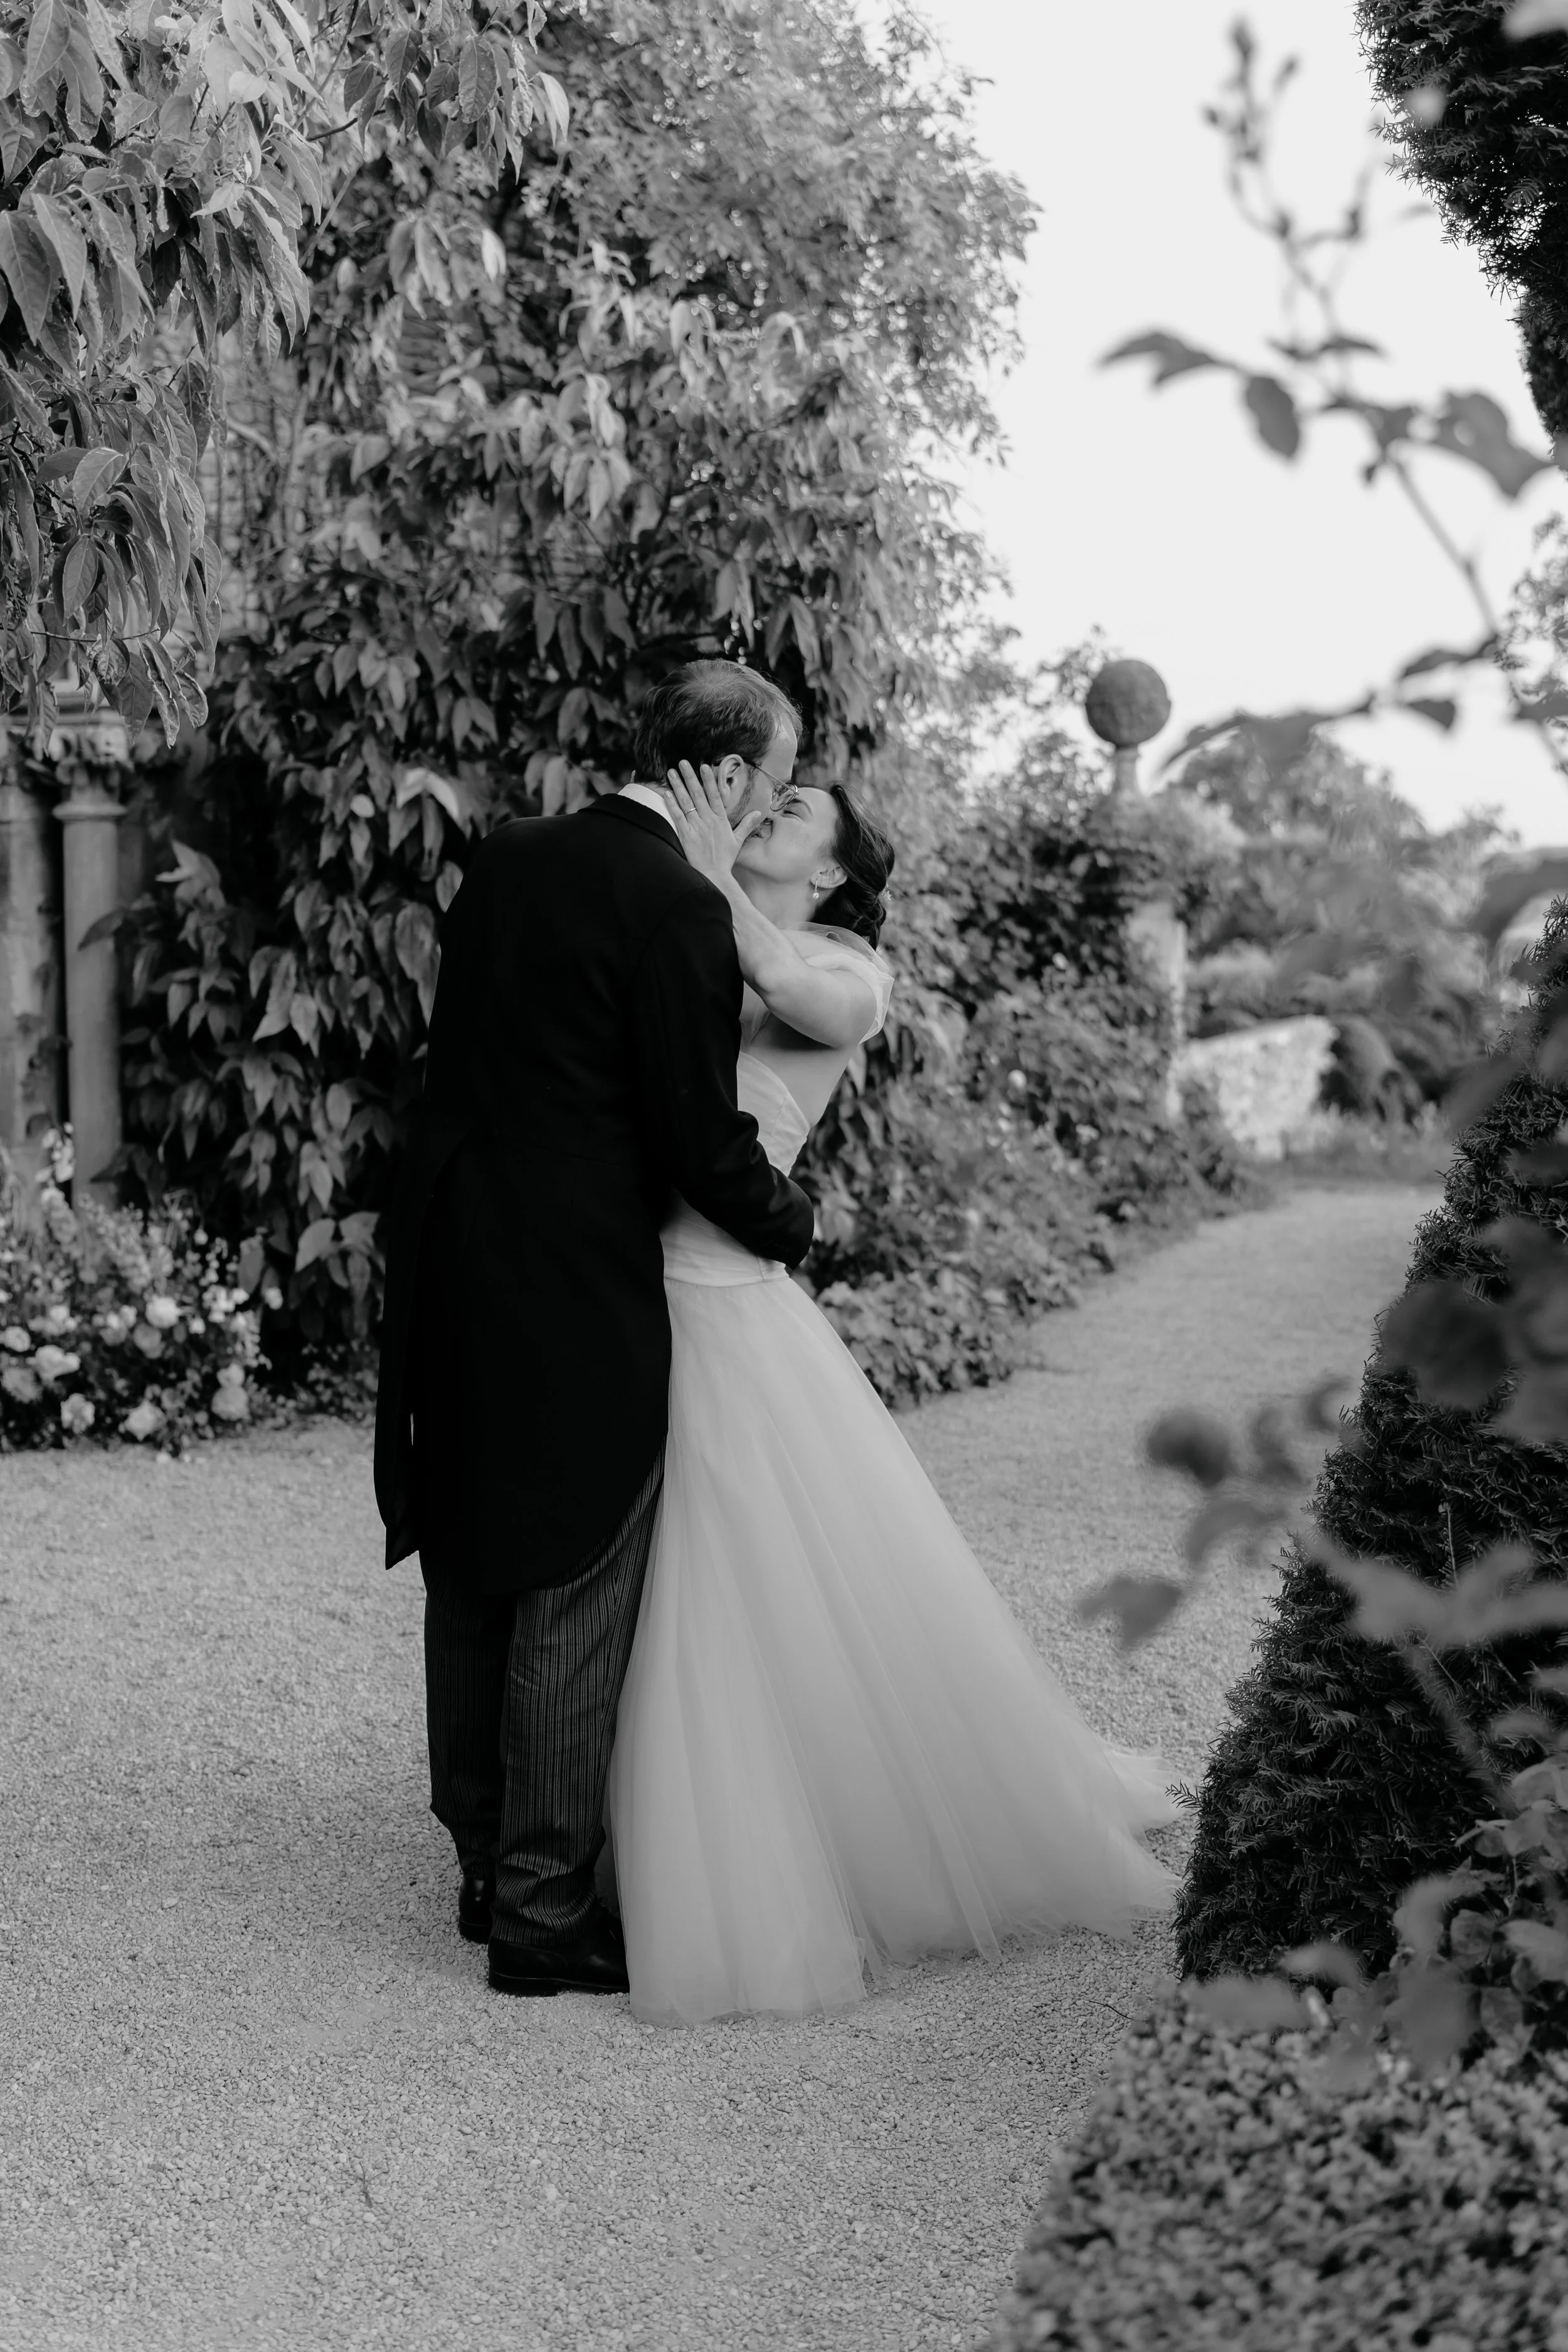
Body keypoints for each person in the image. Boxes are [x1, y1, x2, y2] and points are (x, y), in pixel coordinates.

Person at [604, 761, 1178, 2025]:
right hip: (625, 1291)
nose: (762, 811)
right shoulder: (693, 929)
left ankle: (765, 1860)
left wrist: (703, 873)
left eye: (794, 812)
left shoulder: (849, 976)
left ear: (835, 875)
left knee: (731, 1580)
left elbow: (790, 987)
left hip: (720, 1303)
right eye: (768, 799)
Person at [374, 661, 815, 1998]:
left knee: (471, 1549)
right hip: (576, 1278)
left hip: (453, 1250)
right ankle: (541, 1915)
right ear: (727, 778)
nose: (770, 812)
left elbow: (466, 1055)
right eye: (774, 789)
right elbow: (697, 1140)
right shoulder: (679, 907)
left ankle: (477, 1862)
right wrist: (797, 1226)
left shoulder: (508, 853)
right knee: (576, 1558)